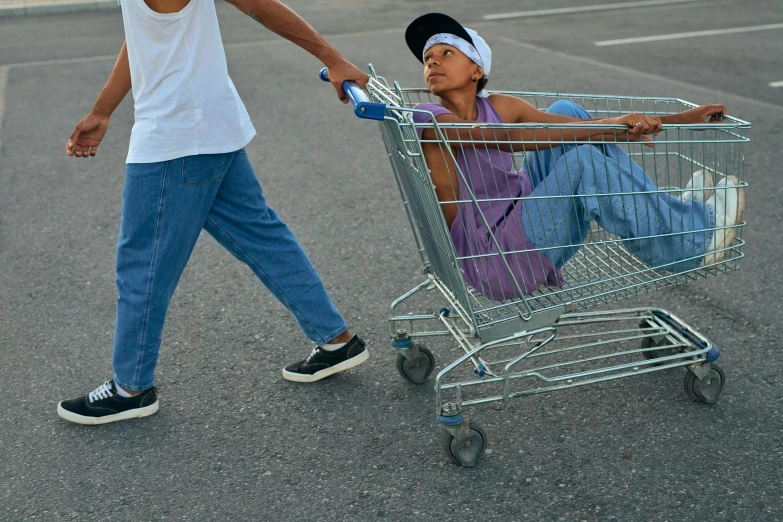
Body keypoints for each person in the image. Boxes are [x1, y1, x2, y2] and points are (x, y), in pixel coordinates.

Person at [57, 0, 371, 425]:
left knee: (143, 264)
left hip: (178, 136)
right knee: (262, 237)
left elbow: (257, 3)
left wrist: (333, 59)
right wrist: (103, 109)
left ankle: (130, 388)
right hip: (205, 127)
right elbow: (145, 37)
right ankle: (337, 341)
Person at [405, 13, 745, 302]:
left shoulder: (498, 106)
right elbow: (507, 139)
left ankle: (673, 215)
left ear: (476, 70)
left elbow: (582, 127)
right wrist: (611, 125)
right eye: (428, 57)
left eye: (446, 52)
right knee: (581, 161)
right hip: (496, 258)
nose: (432, 61)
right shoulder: (427, 116)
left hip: (520, 217)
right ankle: (689, 245)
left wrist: (677, 120)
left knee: (567, 112)